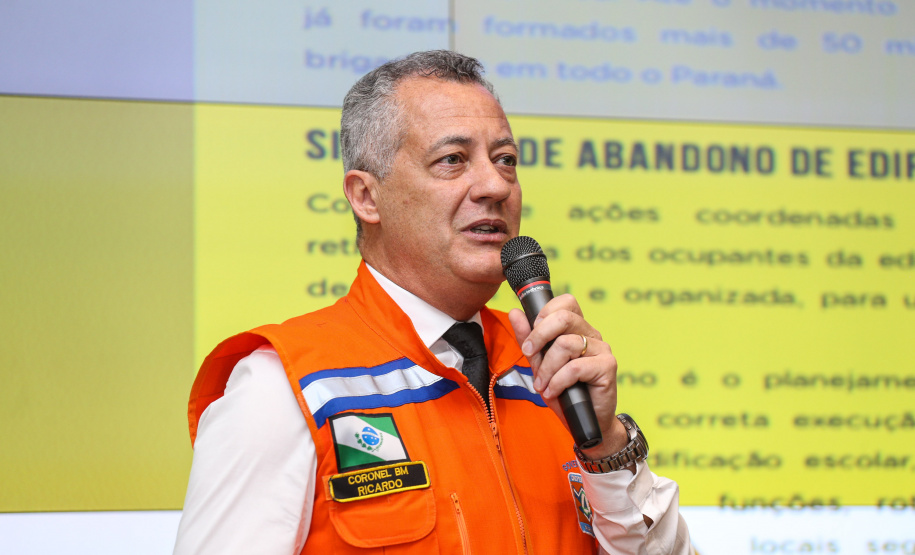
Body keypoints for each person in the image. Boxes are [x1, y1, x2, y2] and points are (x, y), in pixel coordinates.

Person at [174, 50, 693, 554]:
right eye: (452, 160)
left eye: (506, 160)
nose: (494, 185)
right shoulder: (286, 387)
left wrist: (605, 446)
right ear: (366, 196)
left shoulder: (553, 370)